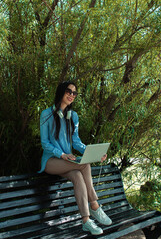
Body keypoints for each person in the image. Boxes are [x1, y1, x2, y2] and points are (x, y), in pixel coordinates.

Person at [39, 81, 112, 235]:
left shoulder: (74, 116)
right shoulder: (46, 114)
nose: (72, 95)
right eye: (69, 91)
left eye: (74, 93)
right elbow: (45, 143)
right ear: (61, 92)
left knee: (78, 176)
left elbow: (77, 142)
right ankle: (95, 206)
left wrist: (95, 153)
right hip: (51, 161)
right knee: (84, 165)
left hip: (67, 162)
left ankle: (86, 221)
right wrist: (62, 154)